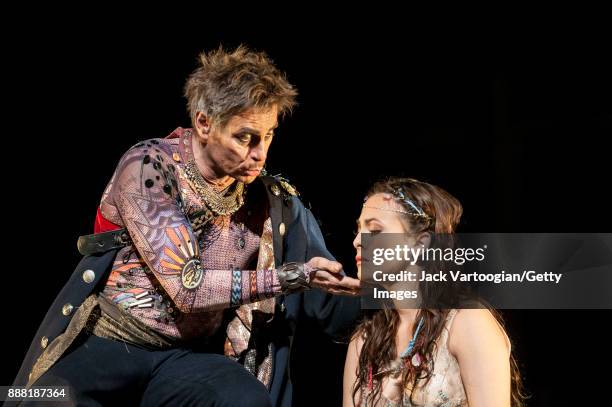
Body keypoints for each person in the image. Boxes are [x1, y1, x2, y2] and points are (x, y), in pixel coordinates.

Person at [13, 45, 361, 407]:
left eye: (269, 135)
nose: (261, 153)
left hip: (182, 359)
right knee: (45, 400)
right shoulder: (149, 167)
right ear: (204, 123)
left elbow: (332, 300)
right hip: (109, 343)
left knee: (245, 400)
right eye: (246, 137)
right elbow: (187, 288)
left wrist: (414, 274)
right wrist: (290, 277)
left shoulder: (273, 202)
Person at [344, 177, 524, 406]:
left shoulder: (467, 323)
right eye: (358, 228)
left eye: (375, 229)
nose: (357, 240)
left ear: (420, 243)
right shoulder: (364, 341)